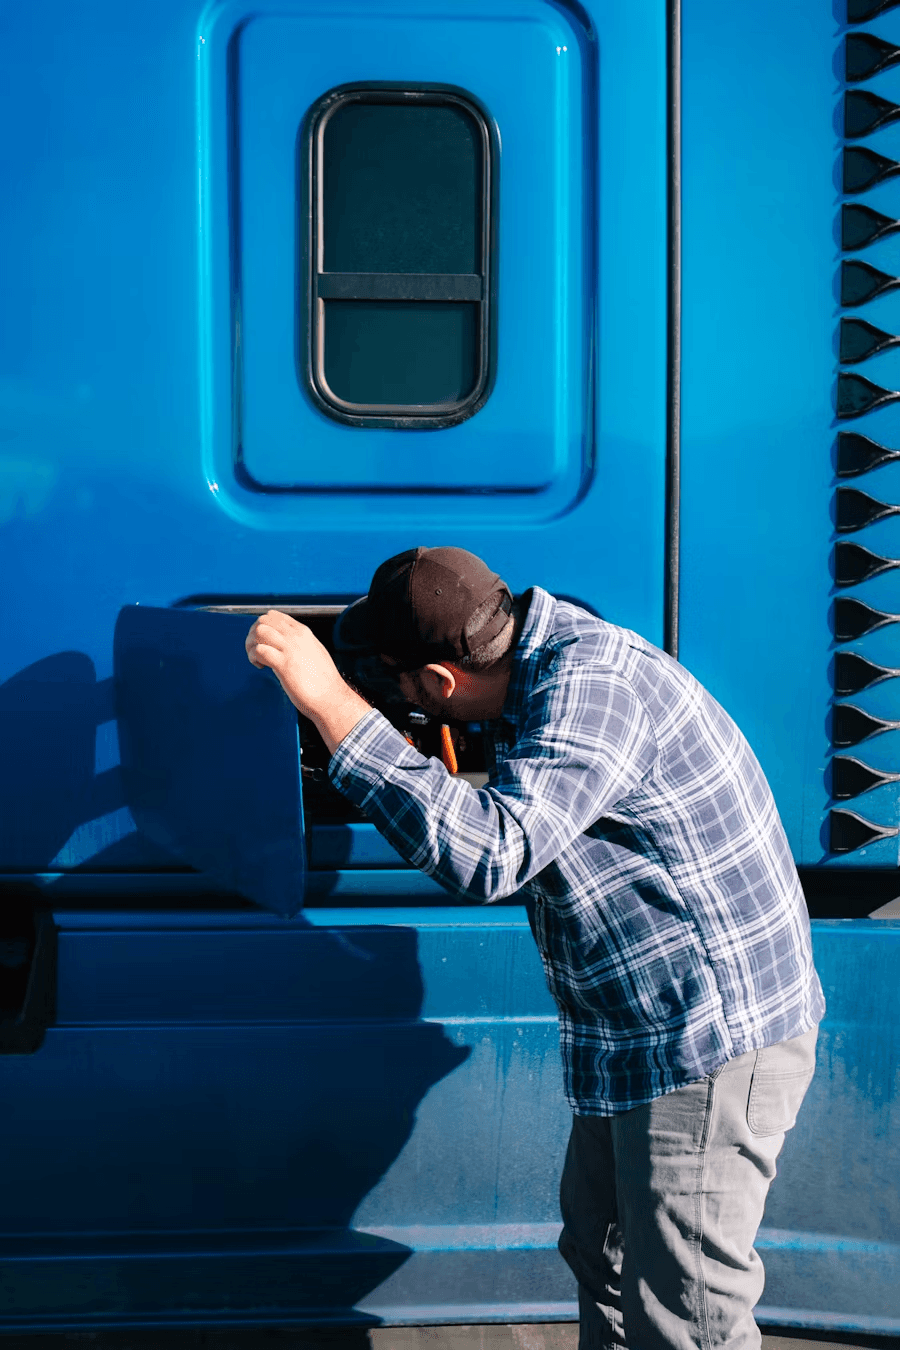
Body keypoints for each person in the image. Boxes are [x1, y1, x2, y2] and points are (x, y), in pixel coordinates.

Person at [245, 545, 825, 1350]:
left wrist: (336, 712)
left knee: (687, 1318)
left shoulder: (594, 688)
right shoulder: (538, 664)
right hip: (638, 1034)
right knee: (605, 1264)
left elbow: (493, 855)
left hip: (708, 1043)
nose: (394, 697)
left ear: (443, 684)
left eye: (398, 682)